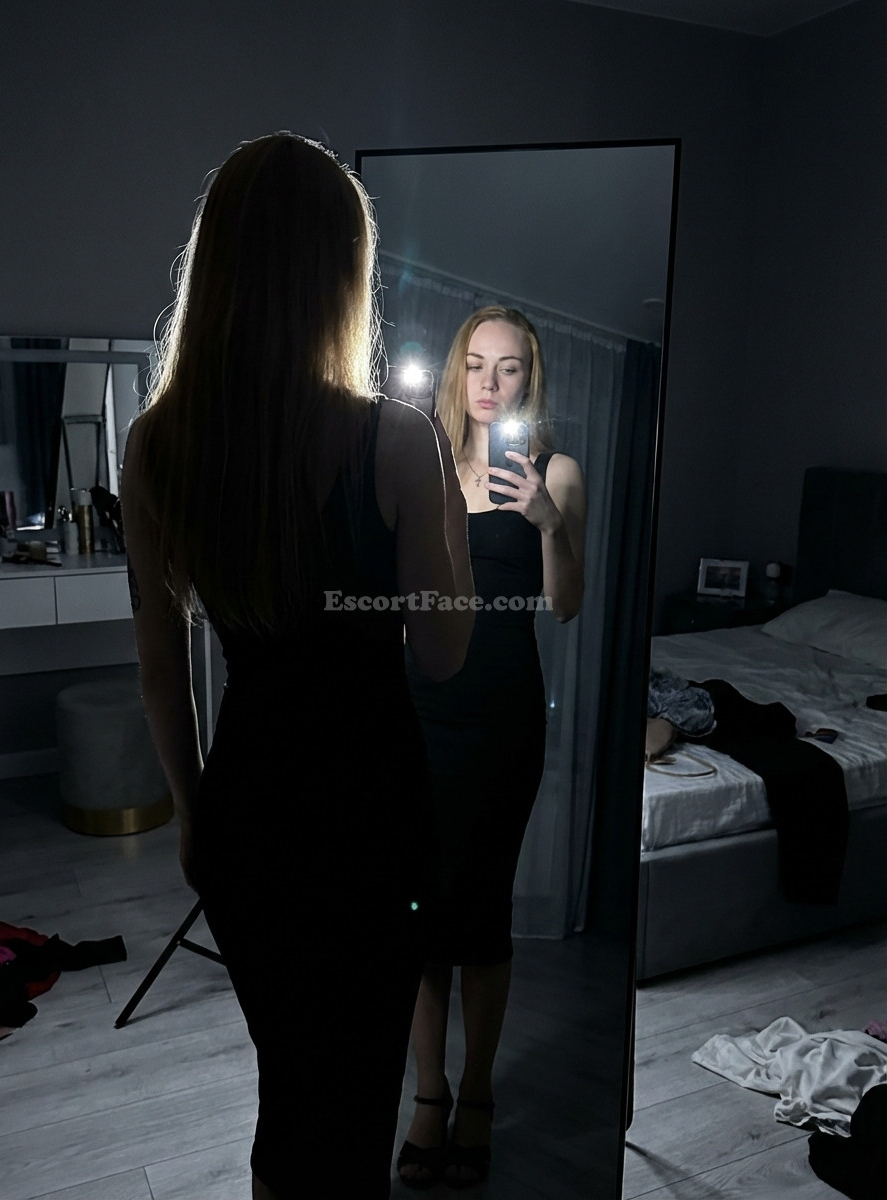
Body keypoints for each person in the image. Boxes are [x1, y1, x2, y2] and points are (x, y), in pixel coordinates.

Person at [120, 132, 474, 1200]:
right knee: (352, 1108)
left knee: (290, 1087)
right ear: (340, 277)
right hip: (371, 822)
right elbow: (444, 654)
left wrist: (193, 817)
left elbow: (159, 670)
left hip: (249, 819)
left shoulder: (158, 445)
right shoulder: (398, 442)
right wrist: (451, 507)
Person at [397, 306, 586, 1190]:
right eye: (476, 363)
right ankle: (428, 1095)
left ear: (528, 378)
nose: (488, 381)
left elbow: (566, 606)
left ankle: (477, 1095)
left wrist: (547, 522)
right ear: (456, 371)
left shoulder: (558, 472)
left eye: (507, 367)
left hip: (503, 724)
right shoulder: (422, 465)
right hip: (418, 718)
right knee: (421, 917)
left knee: (482, 915)